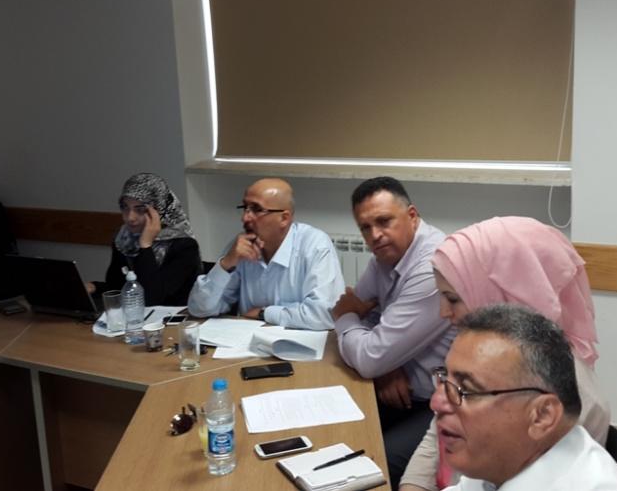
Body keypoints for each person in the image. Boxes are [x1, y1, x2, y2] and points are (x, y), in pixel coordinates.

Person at [400, 216, 610, 491]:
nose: (443, 312)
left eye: (453, 298)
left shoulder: (568, 390)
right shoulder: (479, 357)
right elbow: (436, 434)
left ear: (504, 295)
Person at [431, 304, 617, 490]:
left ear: (542, 416)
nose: (436, 403)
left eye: (467, 389)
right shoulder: (500, 464)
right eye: (444, 379)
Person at [332, 177, 456, 489]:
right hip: (400, 389)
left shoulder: (432, 267)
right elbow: (370, 328)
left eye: (384, 221)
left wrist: (345, 316)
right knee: (333, 432)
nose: (374, 235)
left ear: (412, 215)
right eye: (365, 227)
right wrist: (387, 366)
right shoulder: (385, 256)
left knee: (371, 466)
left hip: (440, 403)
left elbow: (365, 344)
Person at [187, 178, 343, 330]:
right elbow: (199, 309)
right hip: (246, 343)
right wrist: (226, 263)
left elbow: (325, 315)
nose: (245, 218)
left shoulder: (315, 245)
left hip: (299, 345)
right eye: (245, 208)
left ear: (284, 218)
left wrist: (264, 313)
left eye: (257, 209)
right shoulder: (241, 247)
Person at [95, 173, 202, 306]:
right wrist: (95, 287)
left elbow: (152, 298)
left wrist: (145, 245)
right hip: (133, 314)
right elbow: (118, 285)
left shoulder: (184, 245)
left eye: (140, 209)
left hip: (173, 316)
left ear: (159, 209)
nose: (130, 217)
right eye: (125, 207)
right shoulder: (124, 239)